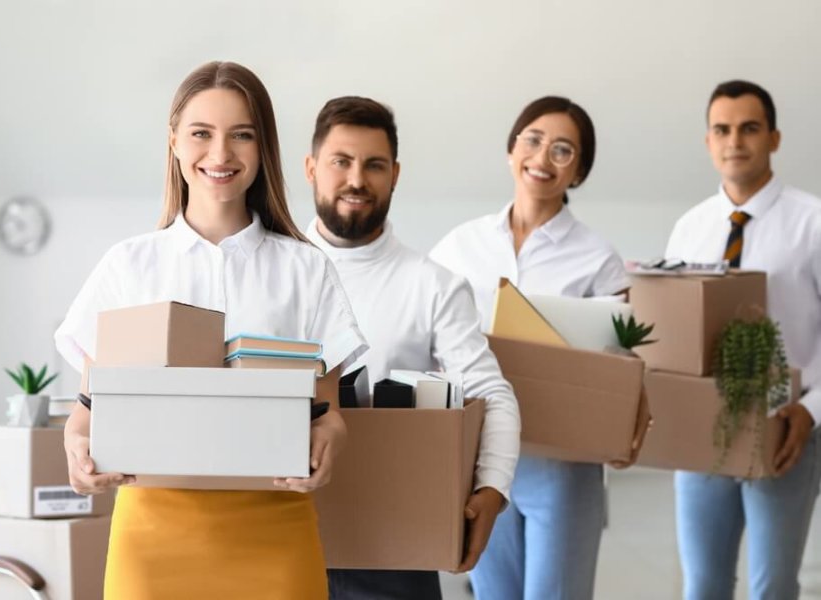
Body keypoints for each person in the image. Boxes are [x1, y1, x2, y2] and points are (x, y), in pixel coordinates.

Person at [55, 61, 367, 599]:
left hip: (276, 531)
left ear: (262, 147)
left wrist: (326, 447)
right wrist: (78, 456)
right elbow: (86, 417)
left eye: (241, 135)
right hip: (151, 539)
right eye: (202, 134)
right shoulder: (127, 267)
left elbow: (328, 416)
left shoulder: (307, 269)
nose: (220, 155)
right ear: (174, 141)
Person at [303, 96, 521, 600]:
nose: (357, 179)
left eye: (374, 165)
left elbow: (492, 392)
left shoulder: (434, 286)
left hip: (394, 551)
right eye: (341, 161)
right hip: (279, 534)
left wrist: (491, 490)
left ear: (395, 174)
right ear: (312, 167)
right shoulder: (271, 270)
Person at [429, 96, 630, 599]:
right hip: (480, 457)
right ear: (511, 149)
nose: (542, 159)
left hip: (561, 465)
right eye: (533, 140)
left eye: (563, 150)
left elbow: (623, 365)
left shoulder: (599, 259)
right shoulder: (460, 245)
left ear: (578, 171)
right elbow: (425, 338)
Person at [665, 79, 821, 600]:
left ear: (774, 138)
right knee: (702, 583)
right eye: (722, 130)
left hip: (787, 426)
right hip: (704, 430)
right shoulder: (689, 228)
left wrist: (810, 411)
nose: (735, 141)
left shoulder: (814, 223)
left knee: (773, 585)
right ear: (708, 142)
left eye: (749, 128)